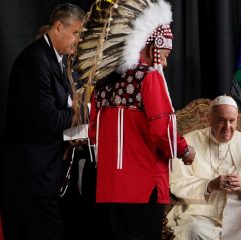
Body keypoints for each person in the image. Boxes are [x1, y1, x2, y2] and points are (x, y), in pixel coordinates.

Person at [86, 0, 195, 239]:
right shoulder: (149, 78)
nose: (164, 63)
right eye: (164, 55)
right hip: (143, 187)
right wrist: (184, 149)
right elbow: (162, 130)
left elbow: (93, 132)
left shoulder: (103, 82)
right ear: (153, 47)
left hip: (107, 189)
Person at [1, 3, 85, 240]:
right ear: (59, 26)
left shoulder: (56, 59)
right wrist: (82, 111)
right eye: (76, 32)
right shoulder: (36, 60)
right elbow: (48, 118)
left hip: (45, 172)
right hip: (30, 176)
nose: (78, 40)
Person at [167, 95, 241, 240]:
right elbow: (176, 182)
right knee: (195, 231)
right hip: (201, 213)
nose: (227, 127)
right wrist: (209, 185)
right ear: (209, 119)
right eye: (221, 121)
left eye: (232, 121)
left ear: (238, 120)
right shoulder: (188, 143)